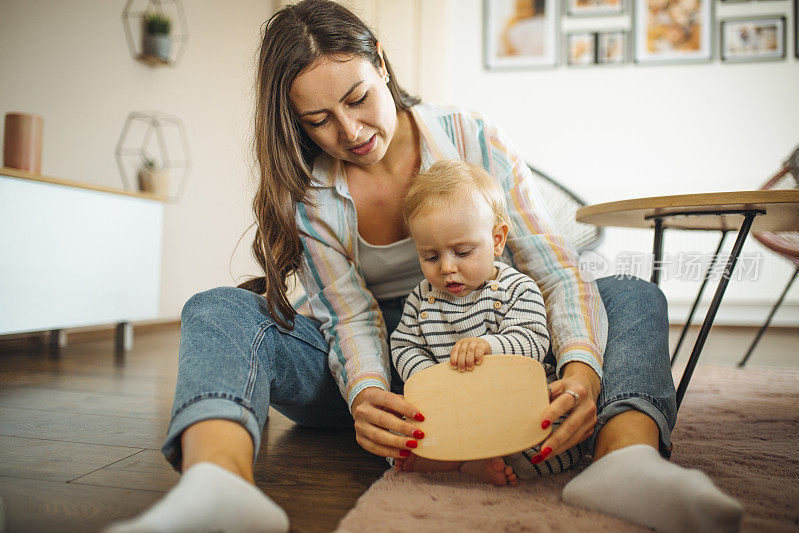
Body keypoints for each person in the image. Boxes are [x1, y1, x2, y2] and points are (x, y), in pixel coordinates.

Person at [106, 1, 743, 532]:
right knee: (216, 307)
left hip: (497, 347)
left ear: (381, 61)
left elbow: (550, 265)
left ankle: (625, 459)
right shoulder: (311, 195)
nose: (350, 131)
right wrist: (367, 394)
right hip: (379, 377)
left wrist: (579, 370)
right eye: (318, 120)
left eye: (357, 98)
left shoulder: (471, 137)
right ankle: (219, 488)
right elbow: (349, 318)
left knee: (630, 293)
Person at [389, 159, 587, 484]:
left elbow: (533, 340)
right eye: (431, 256)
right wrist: (427, 376)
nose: (447, 268)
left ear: (497, 240)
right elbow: (404, 344)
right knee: (399, 428)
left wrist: (489, 345)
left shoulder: (517, 288)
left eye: (462, 252)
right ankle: (456, 461)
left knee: (554, 432)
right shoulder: (421, 299)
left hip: (508, 399)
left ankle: (477, 459)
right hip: (451, 404)